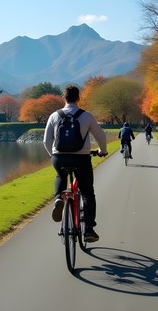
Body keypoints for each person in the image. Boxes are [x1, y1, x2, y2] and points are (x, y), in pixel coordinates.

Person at [43, 85, 108, 243]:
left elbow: (46, 140)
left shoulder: (54, 115)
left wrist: (53, 155)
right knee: (87, 193)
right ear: (78, 98)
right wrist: (102, 150)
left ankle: (59, 198)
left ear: (63, 98)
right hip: (81, 159)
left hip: (59, 158)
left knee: (60, 175)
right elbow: (101, 136)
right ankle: (89, 230)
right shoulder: (87, 116)